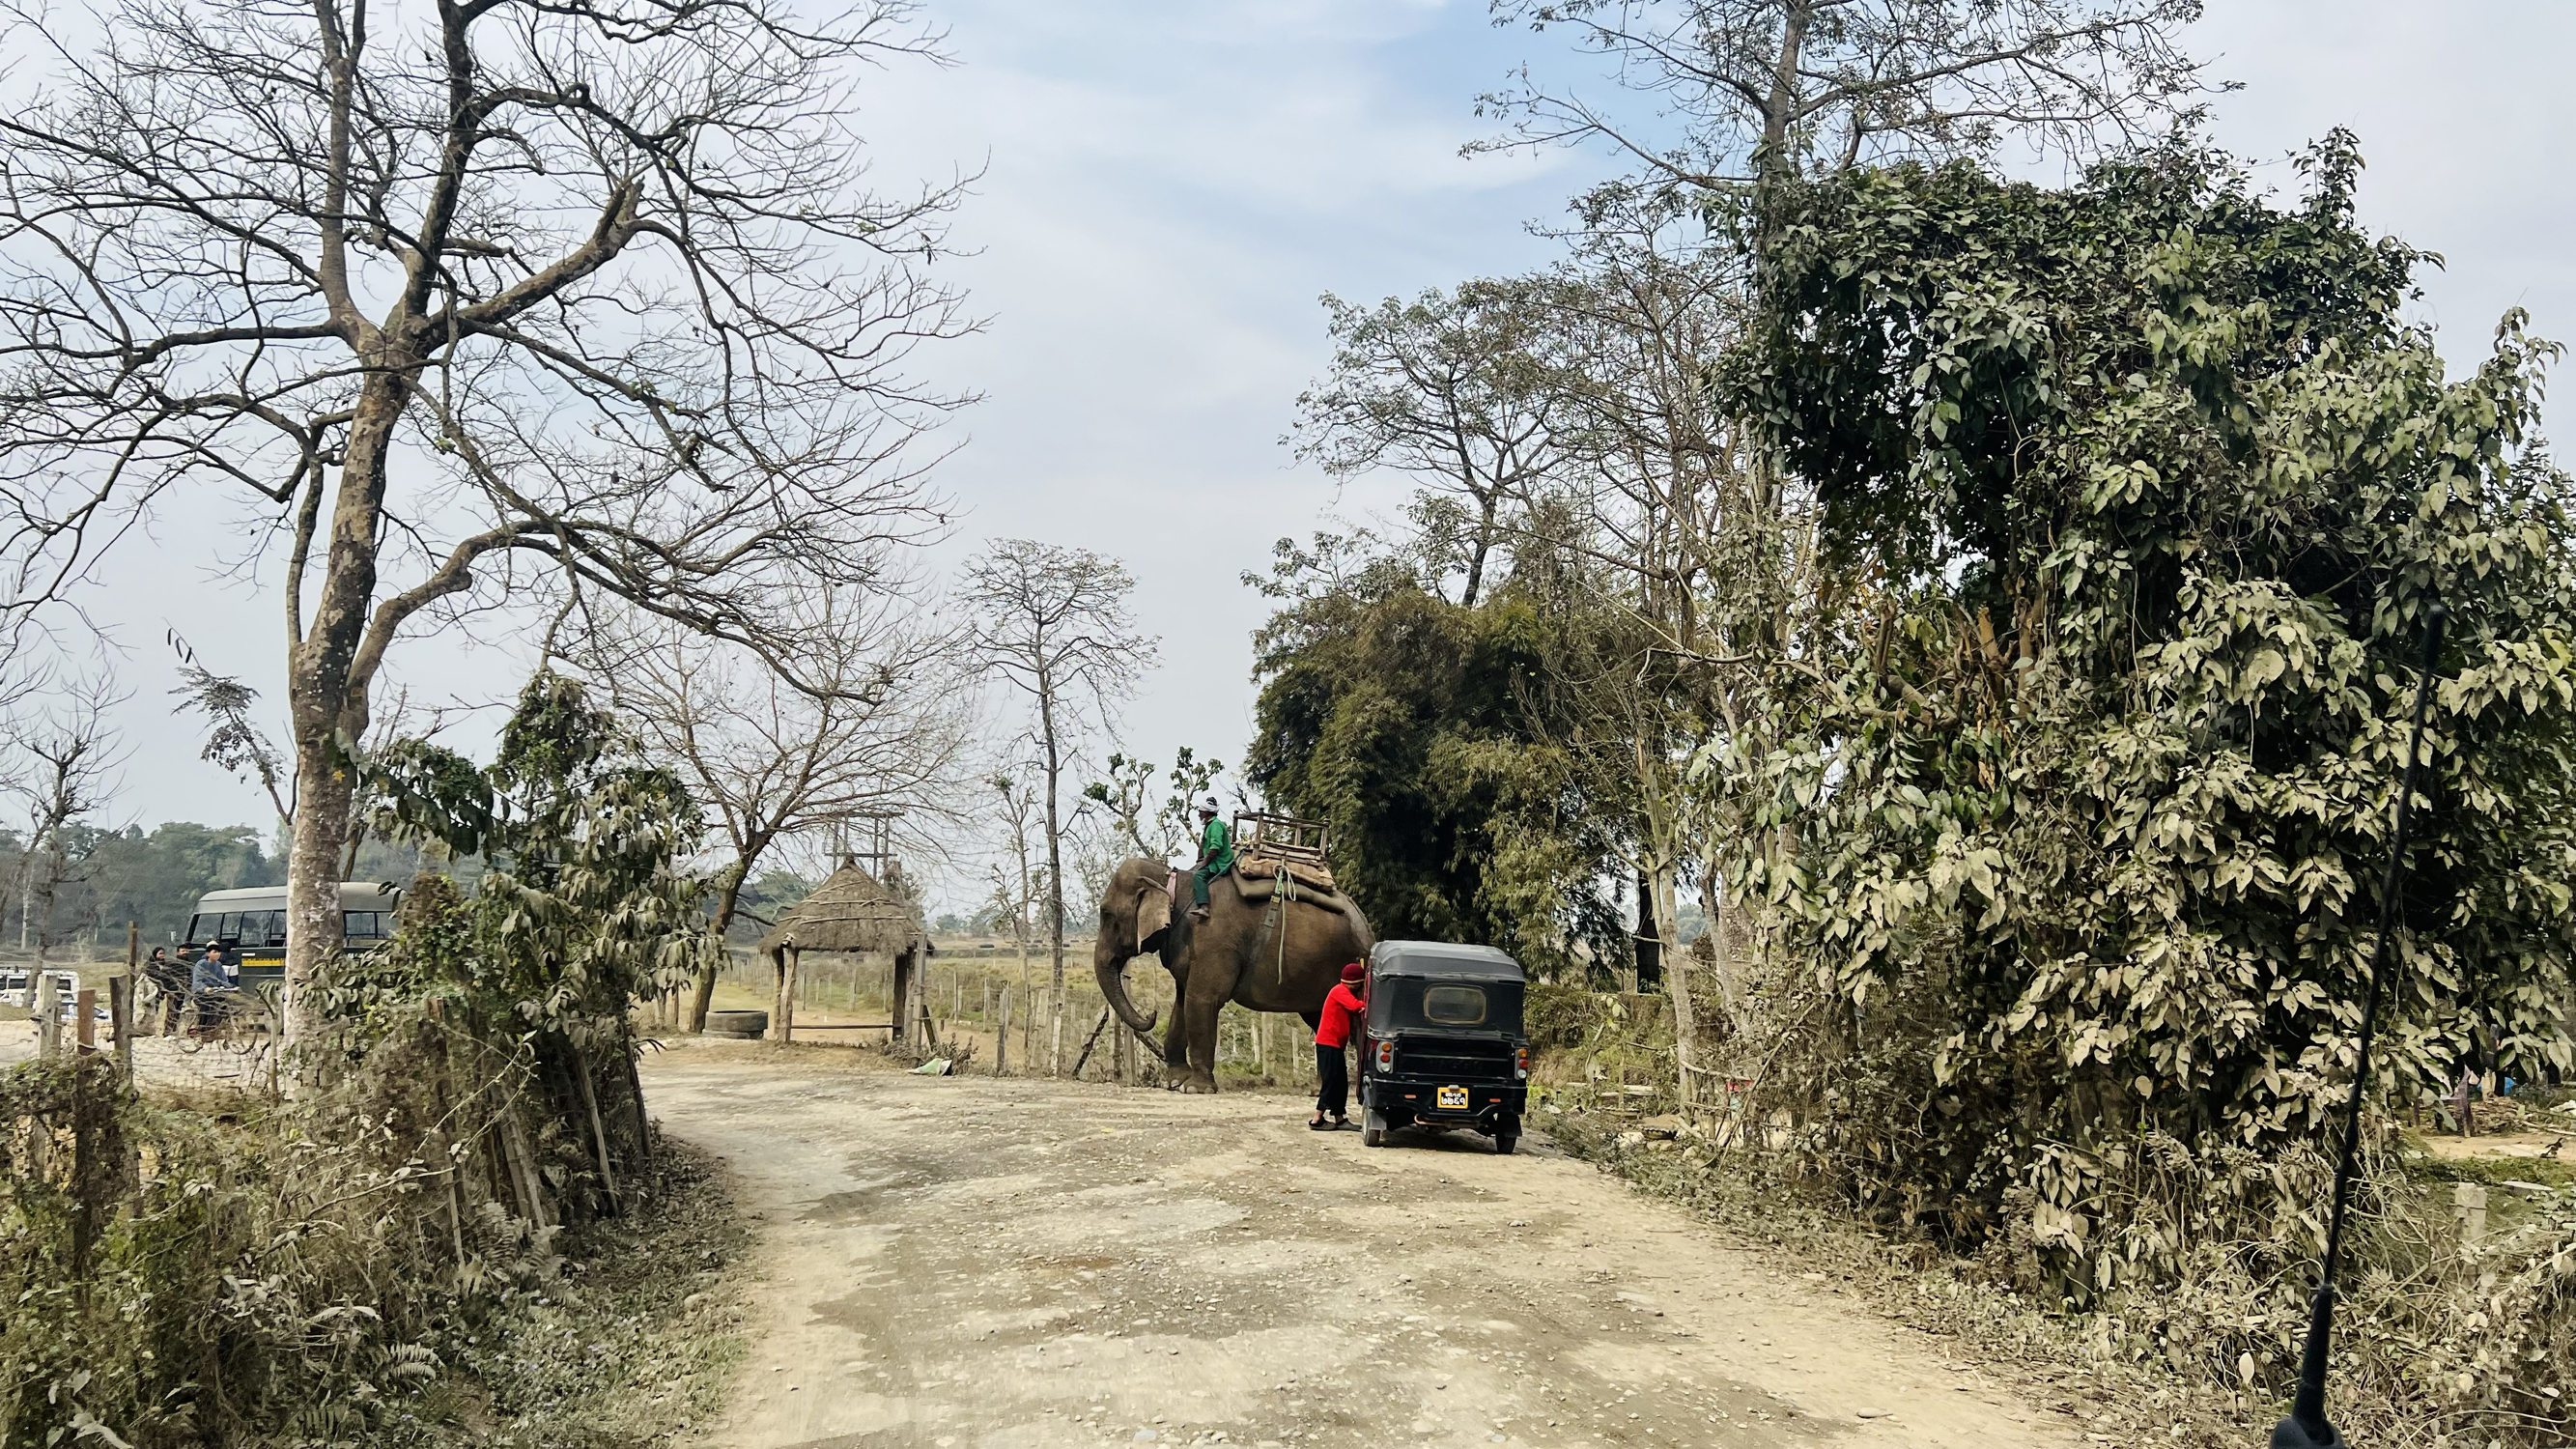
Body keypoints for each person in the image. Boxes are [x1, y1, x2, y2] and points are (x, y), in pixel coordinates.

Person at [1311, 960, 1366, 1130]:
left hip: (1334, 1045)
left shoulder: (1342, 991)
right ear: (1355, 983)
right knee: (1331, 1082)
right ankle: (1317, 1119)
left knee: (1340, 1082)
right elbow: (1356, 1006)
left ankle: (1339, 1118)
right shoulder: (1339, 991)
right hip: (1328, 1044)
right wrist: (1369, 1003)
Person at [1187, 797, 1234, 921]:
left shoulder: (1216, 825)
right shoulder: (1210, 825)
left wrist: (1204, 863)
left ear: (1206, 813)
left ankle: (1204, 907)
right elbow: (1204, 846)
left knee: (1198, 876)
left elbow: (1215, 847)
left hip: (1219, 862)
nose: (1199, 815)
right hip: (1212, 860)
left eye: (1200, 812)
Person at [189, 946, 235, 1033]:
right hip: (201, 993)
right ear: (208, 954)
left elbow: (223, 980)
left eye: (218, 952)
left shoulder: (218, 964)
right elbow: (197, 981)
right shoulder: (201, 964)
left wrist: (231, 987)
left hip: (216, 992)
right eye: (214, 952)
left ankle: (216, 1027)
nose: (217, 954)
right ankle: (202, 1028)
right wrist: (205, 988)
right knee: (207, 1005)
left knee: (224, 1005)